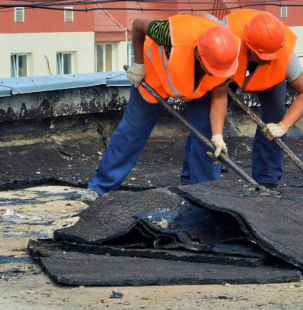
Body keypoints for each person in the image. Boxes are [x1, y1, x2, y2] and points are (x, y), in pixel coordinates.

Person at [81, 14, 241, 201]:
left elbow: (220, 96)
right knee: (132, 131)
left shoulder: (227, 57)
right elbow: (138, 24)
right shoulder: (169, 35)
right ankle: (100, 188)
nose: (214, 72)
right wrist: (139, 64)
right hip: (155, 74)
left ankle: (203, 193)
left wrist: (218, 135)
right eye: (210, 68)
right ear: (199, 53)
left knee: (207, 137)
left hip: (198, 87)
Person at [223, 9, 303, 188]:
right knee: (209, 110)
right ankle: (207, 171)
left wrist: (283, 126)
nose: (268, 61)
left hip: (262, 63)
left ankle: (267, 180)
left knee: (274, 116)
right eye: (264, 57)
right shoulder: (226, 39)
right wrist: (217, 134)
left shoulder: (284, 56)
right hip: (228, 57)